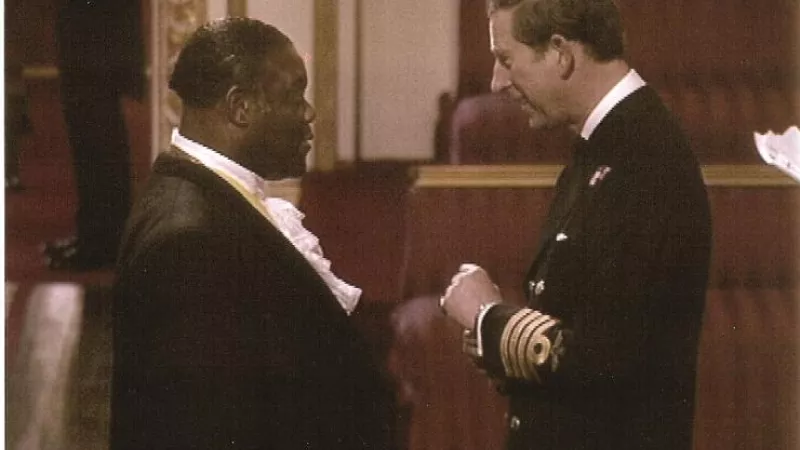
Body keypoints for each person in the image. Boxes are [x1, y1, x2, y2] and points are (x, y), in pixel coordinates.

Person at [110, 18, 396, 449]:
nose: (309, 112)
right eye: (294, 95)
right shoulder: (190, 242)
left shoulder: (206, 200)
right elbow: (208, 428)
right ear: (240, 107)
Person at [439, 0, 711, 449]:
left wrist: (489, 320)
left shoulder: (644, 161)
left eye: (506, 60)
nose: (496, 81)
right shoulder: (606, 148)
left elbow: (606, 360)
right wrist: (497, 339)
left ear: (561, 53)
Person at [44, 0, 145, 270]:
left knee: (98, 140)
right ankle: (95, 236)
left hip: (97, 43)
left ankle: (102, 241)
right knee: (90, 139)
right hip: (91, 38)